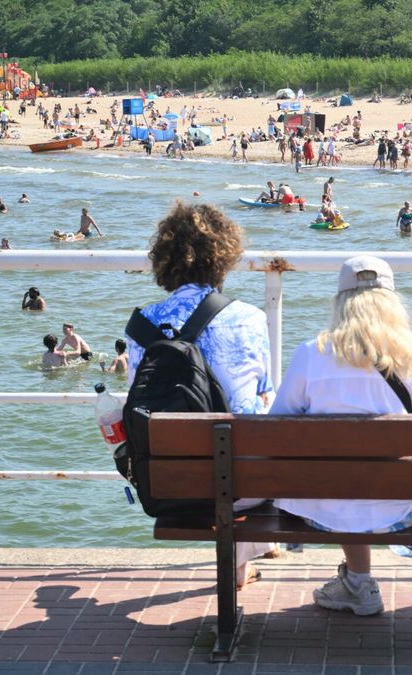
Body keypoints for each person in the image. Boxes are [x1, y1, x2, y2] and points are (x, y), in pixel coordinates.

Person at [272, 255, 412, 616]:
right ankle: (355, 581)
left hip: (320, 506)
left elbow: (277, 425)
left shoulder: (311, 354)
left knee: (342, 481)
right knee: (366, 479)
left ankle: (357, 581)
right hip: (400, 506)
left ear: (341, 302)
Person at [124, 202, 275, 587]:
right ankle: (243, 560)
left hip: (170, 485)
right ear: (224, 257)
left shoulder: (140, 326)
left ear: (164, 259)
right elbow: (262, 397)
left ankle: (240, 564)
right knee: (254, 412)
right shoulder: (251, 318)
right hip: (246, 486)